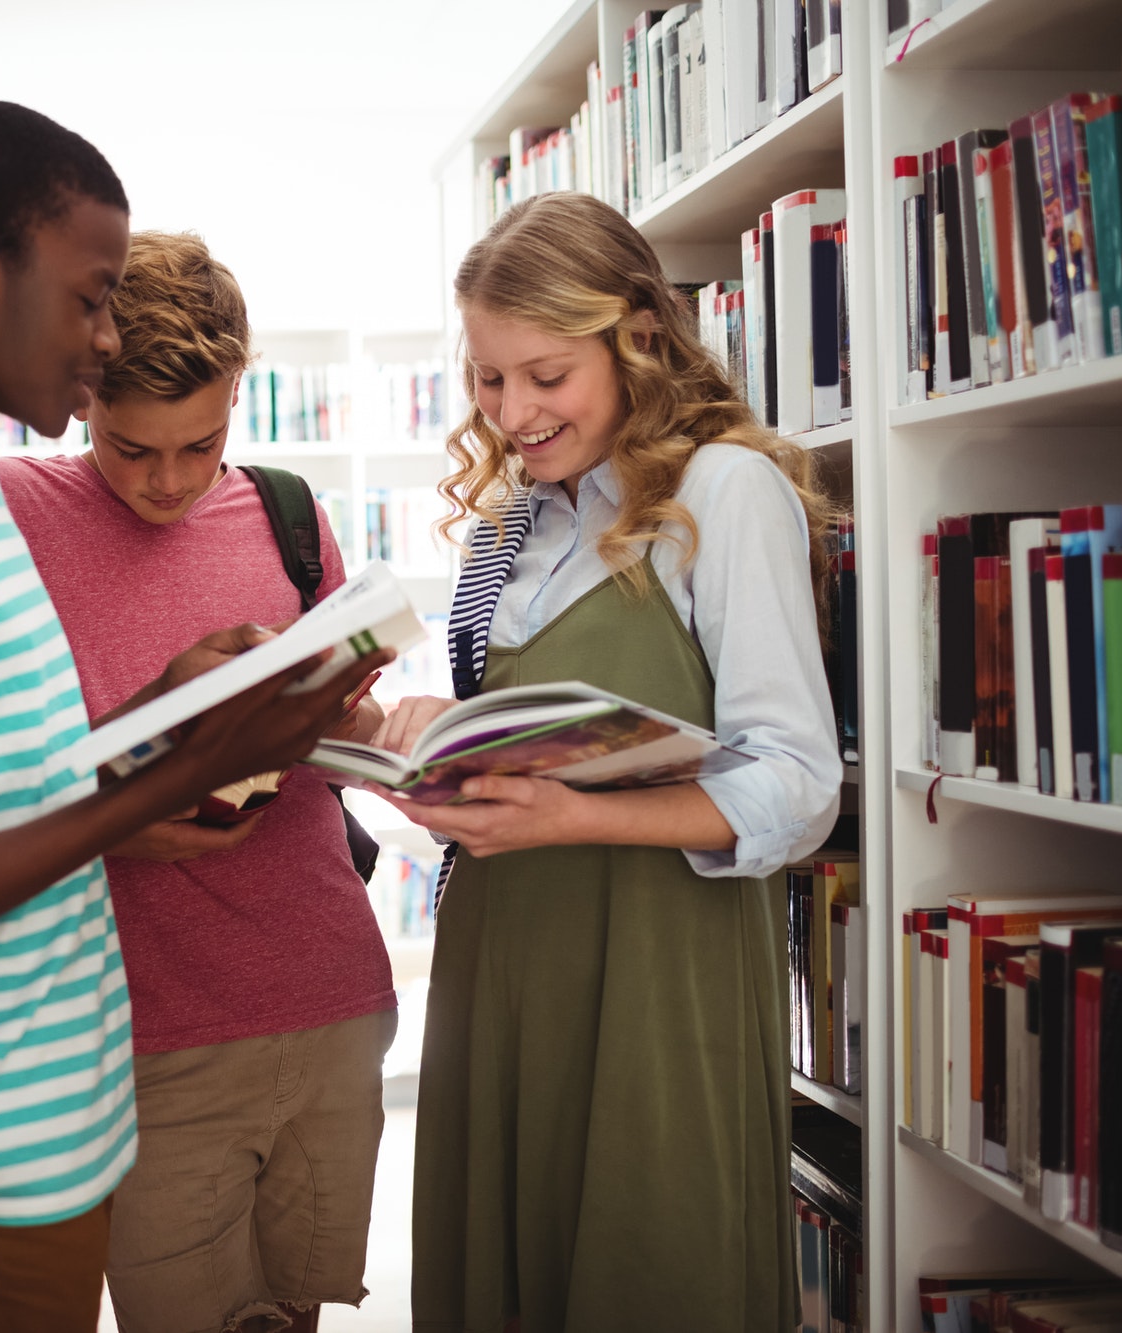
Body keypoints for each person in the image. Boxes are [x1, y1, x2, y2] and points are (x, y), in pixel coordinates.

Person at [0, 103, 388, 1333]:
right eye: (90, 302)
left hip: (108, 1097)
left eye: (198, 447)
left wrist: (196, 716)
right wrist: (170, 771)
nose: (100, 339)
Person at [374, 191, 842, 1333]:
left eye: (544, 374)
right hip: (504, 959)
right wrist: (437, 734)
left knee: (645, 1256)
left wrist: (566, 818)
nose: (511, 411)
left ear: (636, 334)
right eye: (487, 378)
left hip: (652, 971)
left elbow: (798, 785)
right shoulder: (504, 523)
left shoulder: (722, 492)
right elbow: (520, 732)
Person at [0, 232, 397, 1333]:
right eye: (131, 449)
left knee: (292, 1318)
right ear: (81, 397)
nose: (168, 481)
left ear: (238, 394)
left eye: (200, 442)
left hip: (326, 998)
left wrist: (365, 714)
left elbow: (335, 723)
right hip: (142, 1033)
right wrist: (110, 811)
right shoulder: (5, 511)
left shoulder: (283, 511)